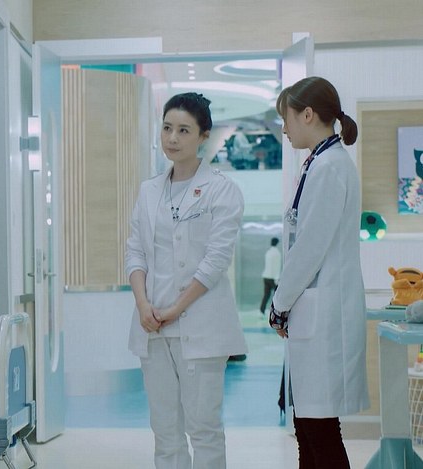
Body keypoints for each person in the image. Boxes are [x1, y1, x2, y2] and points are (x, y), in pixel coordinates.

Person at [125, 92, 247, 469]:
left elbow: (215, 261)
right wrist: (143, 305)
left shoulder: (222, 190)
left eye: (183, 130)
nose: (172, 138)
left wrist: (175, 309)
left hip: (201, 327)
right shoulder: (148, 190)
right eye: (167, 128)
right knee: (165, 431)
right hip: (153, 327)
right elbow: (135, 251)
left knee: (204, 429)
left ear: (203, 136)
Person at [268, 76, 369, 468]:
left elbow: (308, 248)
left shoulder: (329, 167)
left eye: (287, 118)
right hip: (313, 312)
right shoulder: (321, 162)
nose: (284, 128)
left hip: (322, 316)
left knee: (319, 434)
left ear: (307, 114)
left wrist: (279, 304)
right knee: (309, 431)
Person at [260, 237, 281, 314]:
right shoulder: (277, 253)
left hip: (266, 276)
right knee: (277, 296)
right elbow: (276, 267)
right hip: (272, 278)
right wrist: (277, 279)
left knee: (266, 295)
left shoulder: (268, 252)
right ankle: (276, 311)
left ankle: (262, 311)